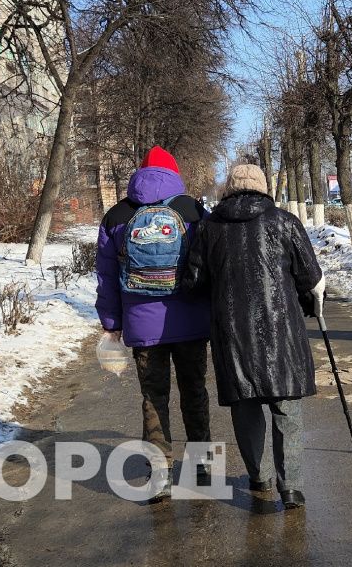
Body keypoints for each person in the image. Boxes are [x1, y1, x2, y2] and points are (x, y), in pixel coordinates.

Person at [182, 163, 323, 510]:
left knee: (245, 408)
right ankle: (291, 487)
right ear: (263, 188)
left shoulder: (209, 228)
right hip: (282, 335)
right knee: (286, 409)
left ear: (228, 189)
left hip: (232, 336)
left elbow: (193, 282)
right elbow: (310, 277)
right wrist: (307, 302)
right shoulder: (285, 221)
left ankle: (259, 477)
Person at [95, 145, 210, 500]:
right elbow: (208, 266)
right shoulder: (192, 210)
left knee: (154, 396)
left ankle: (159, 475)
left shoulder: (117, 215)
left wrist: (112, 322)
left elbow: (106, 274)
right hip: (191, 321)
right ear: (175, 174)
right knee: (194, 391)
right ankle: (203, 467)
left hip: (142, 325)